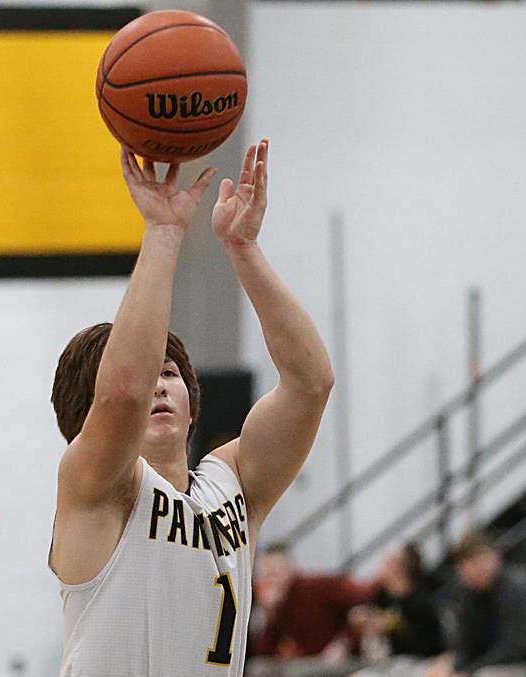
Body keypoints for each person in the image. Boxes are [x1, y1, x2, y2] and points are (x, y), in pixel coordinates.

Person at [47, 140, 334, 677]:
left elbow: (310, 383)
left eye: (171, 373)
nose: (157, 386)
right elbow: (124, 393)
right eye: (149, 372)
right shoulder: (97, 487)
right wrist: (163, 231)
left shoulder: (234, 485)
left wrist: (243, 248)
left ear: (191, 399)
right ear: (88, 417)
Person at [438, 530, 526, 677]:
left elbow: (514, 648)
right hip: (491, 663)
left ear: (496, 557)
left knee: (486, 675)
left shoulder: (519, 590)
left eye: (476, 560)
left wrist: (470, 670)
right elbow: (466, 644)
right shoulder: (468, 595)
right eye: (464, 563)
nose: (471, 568)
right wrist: (458, 668)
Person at [247, 543, 373, 676]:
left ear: (292, 569)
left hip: (337, 658)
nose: (273, 580)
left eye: (277, 573)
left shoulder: (316, 587)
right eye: (267, 575)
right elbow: (265, 653)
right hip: (306, 662)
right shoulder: (275, 605)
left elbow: (364, 601)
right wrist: (269, 613)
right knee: (256, 668)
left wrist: (344, 641)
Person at [348, 542, 444, 674]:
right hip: (389, 663)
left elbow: (426, 646)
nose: (382, 566)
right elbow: (362, 612)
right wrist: (361, 616)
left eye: (388, 562)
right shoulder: (382, 595)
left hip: (419, 662)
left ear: (399, 568)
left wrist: (389, 628)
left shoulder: (421, 600)